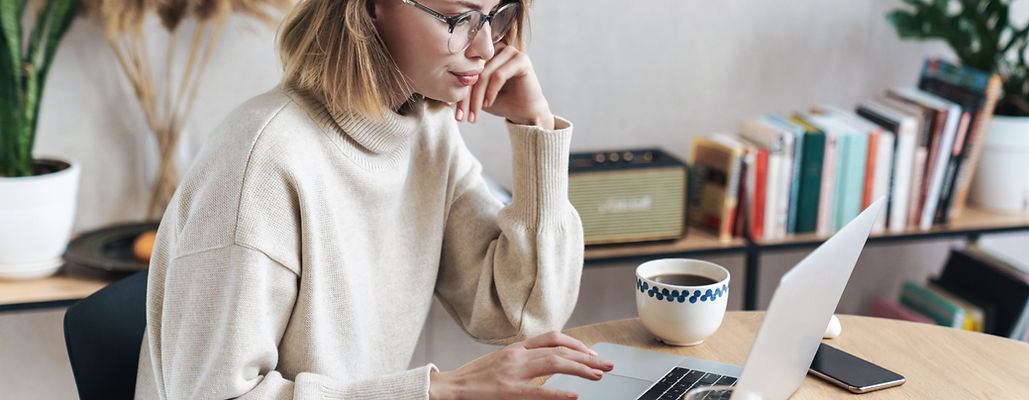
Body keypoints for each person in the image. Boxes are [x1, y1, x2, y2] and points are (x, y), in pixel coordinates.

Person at [134, 0, 614, 398]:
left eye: (497, 15)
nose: (486, 48)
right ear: (370, 8)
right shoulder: (260, 164)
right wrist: (441, 392)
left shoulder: (426, 132)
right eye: (457, 19)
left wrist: (536, 128)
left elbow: (521, 313)